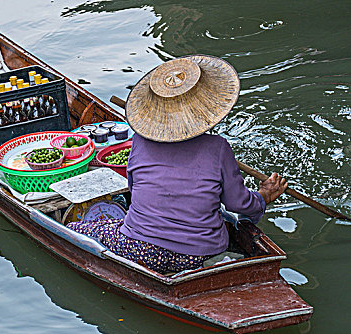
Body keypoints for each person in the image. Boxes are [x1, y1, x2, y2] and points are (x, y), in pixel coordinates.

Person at [67, 55, 287, 275]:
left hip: (140, 249)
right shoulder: (218, 147)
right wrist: (263, 196)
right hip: (199, 254)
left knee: (73, 229)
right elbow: (239, 204)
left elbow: (134, 190)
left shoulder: (140, 141)